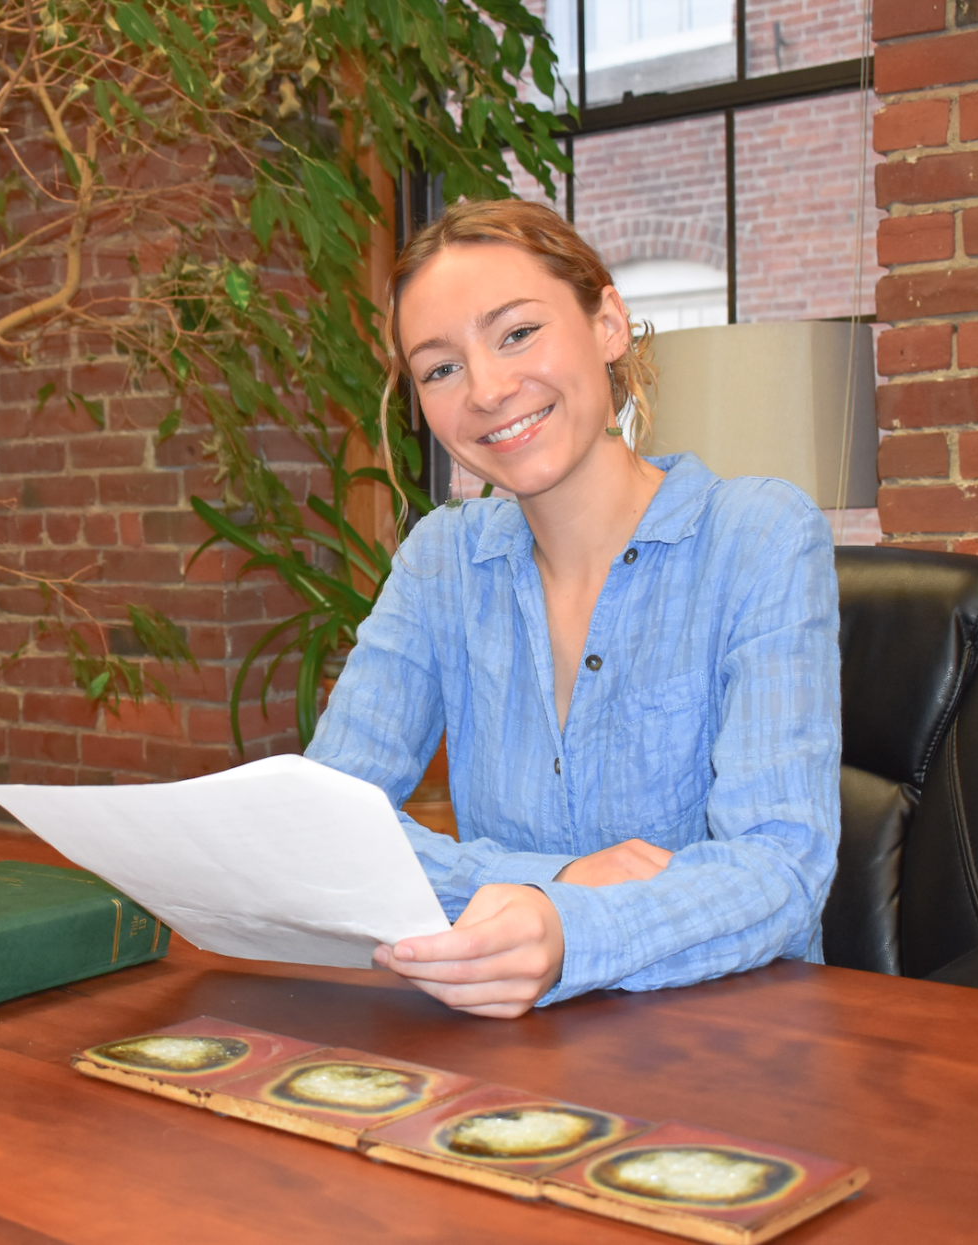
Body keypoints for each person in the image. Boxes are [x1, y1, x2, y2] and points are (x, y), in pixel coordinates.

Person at [304, 199, 840, 1019]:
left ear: (609, 324)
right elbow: (325, 828)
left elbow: (781, 870)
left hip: (728, 1036)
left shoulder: (758, 536)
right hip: (505, 1036)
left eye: (518, 332)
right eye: (440, 369)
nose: (488, 389)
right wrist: (550, 883)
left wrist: (568, 930)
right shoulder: (441, 562)